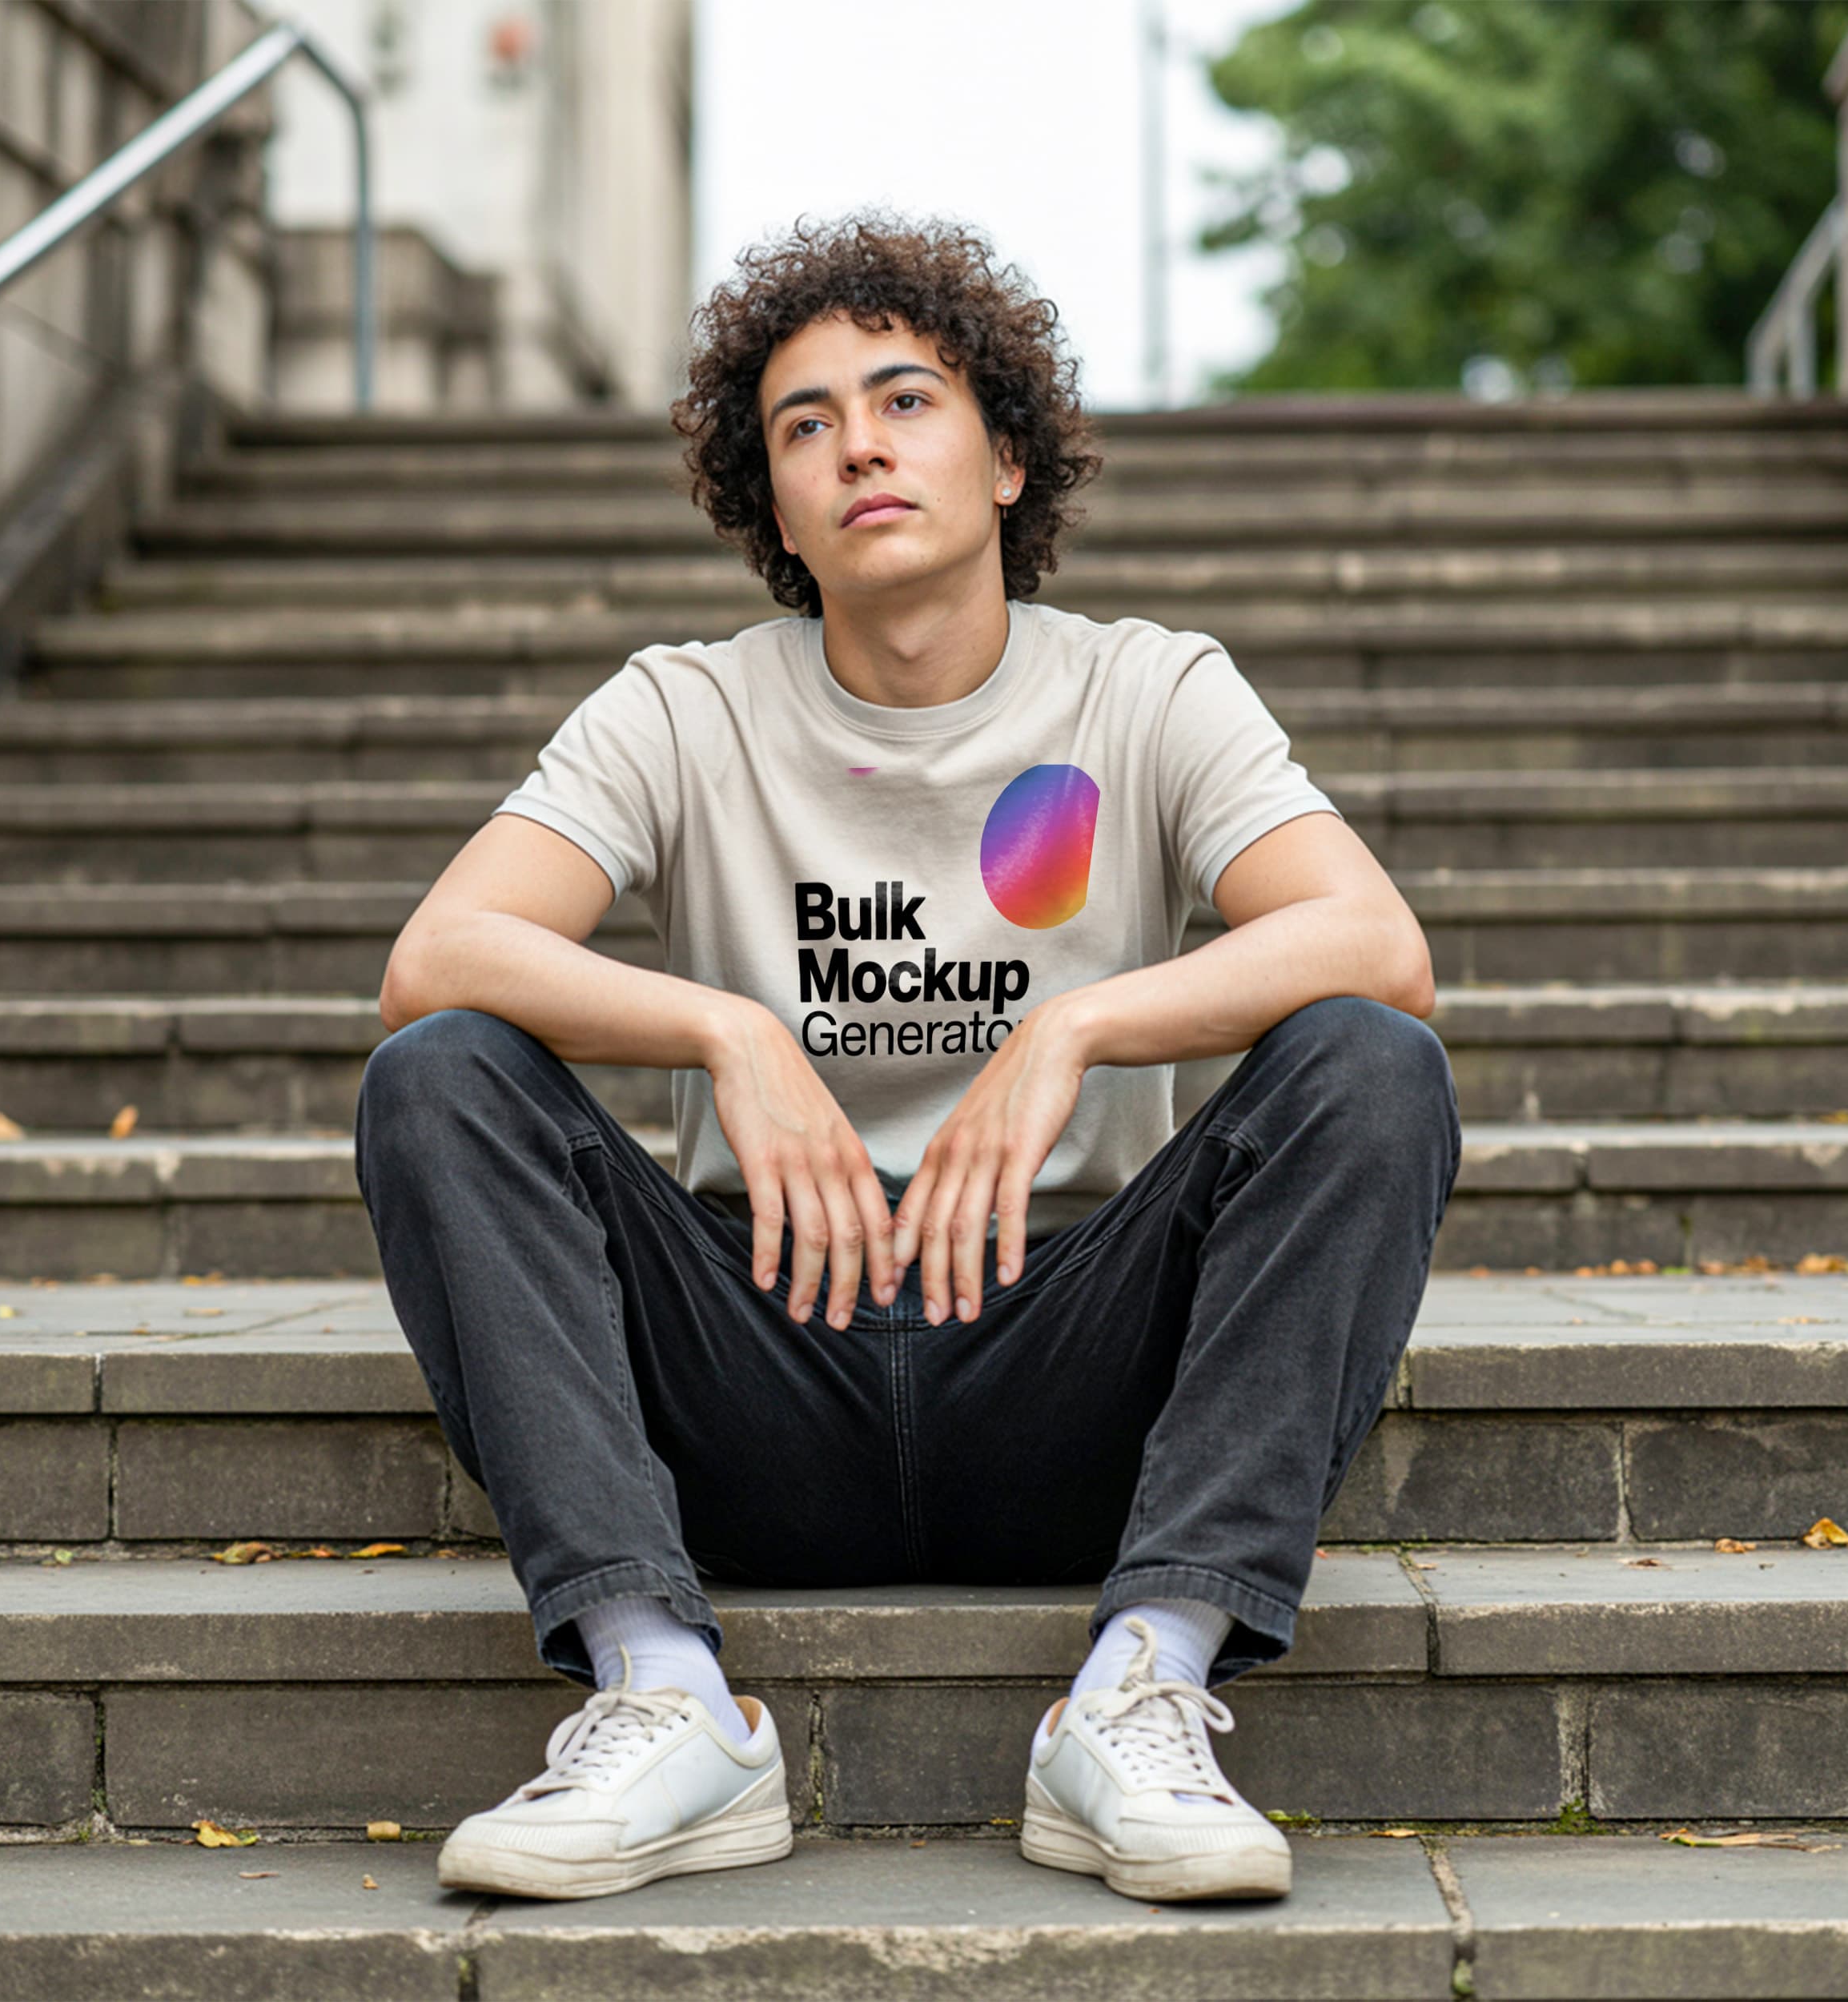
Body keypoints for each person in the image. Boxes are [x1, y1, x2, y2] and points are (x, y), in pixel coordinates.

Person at [354, 209, 1460, 1907]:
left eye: (903, 399)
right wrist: (724, 1027)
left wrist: (1075, 1022)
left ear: (1005, 456)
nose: (856, 442)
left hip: (1063, 1365)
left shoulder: (1150, 691)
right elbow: (437, 954)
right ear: (772, 502)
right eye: (804, 424)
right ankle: (664, 1693)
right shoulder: (681, 706)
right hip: (755, 1365)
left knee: (1366, 1063)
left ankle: (1139, 1683)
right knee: (439, 1072)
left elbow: (1376, 944)